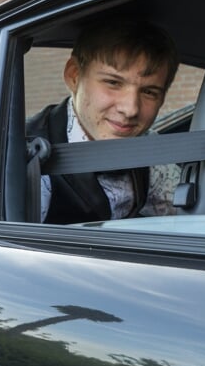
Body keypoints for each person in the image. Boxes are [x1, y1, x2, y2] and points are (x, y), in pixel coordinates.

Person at [26, 18, 181, 224]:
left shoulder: (149, 152)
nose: (130, 109)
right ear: (74, 76)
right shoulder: (28, 161)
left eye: (149, 92)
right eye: (113, 83)